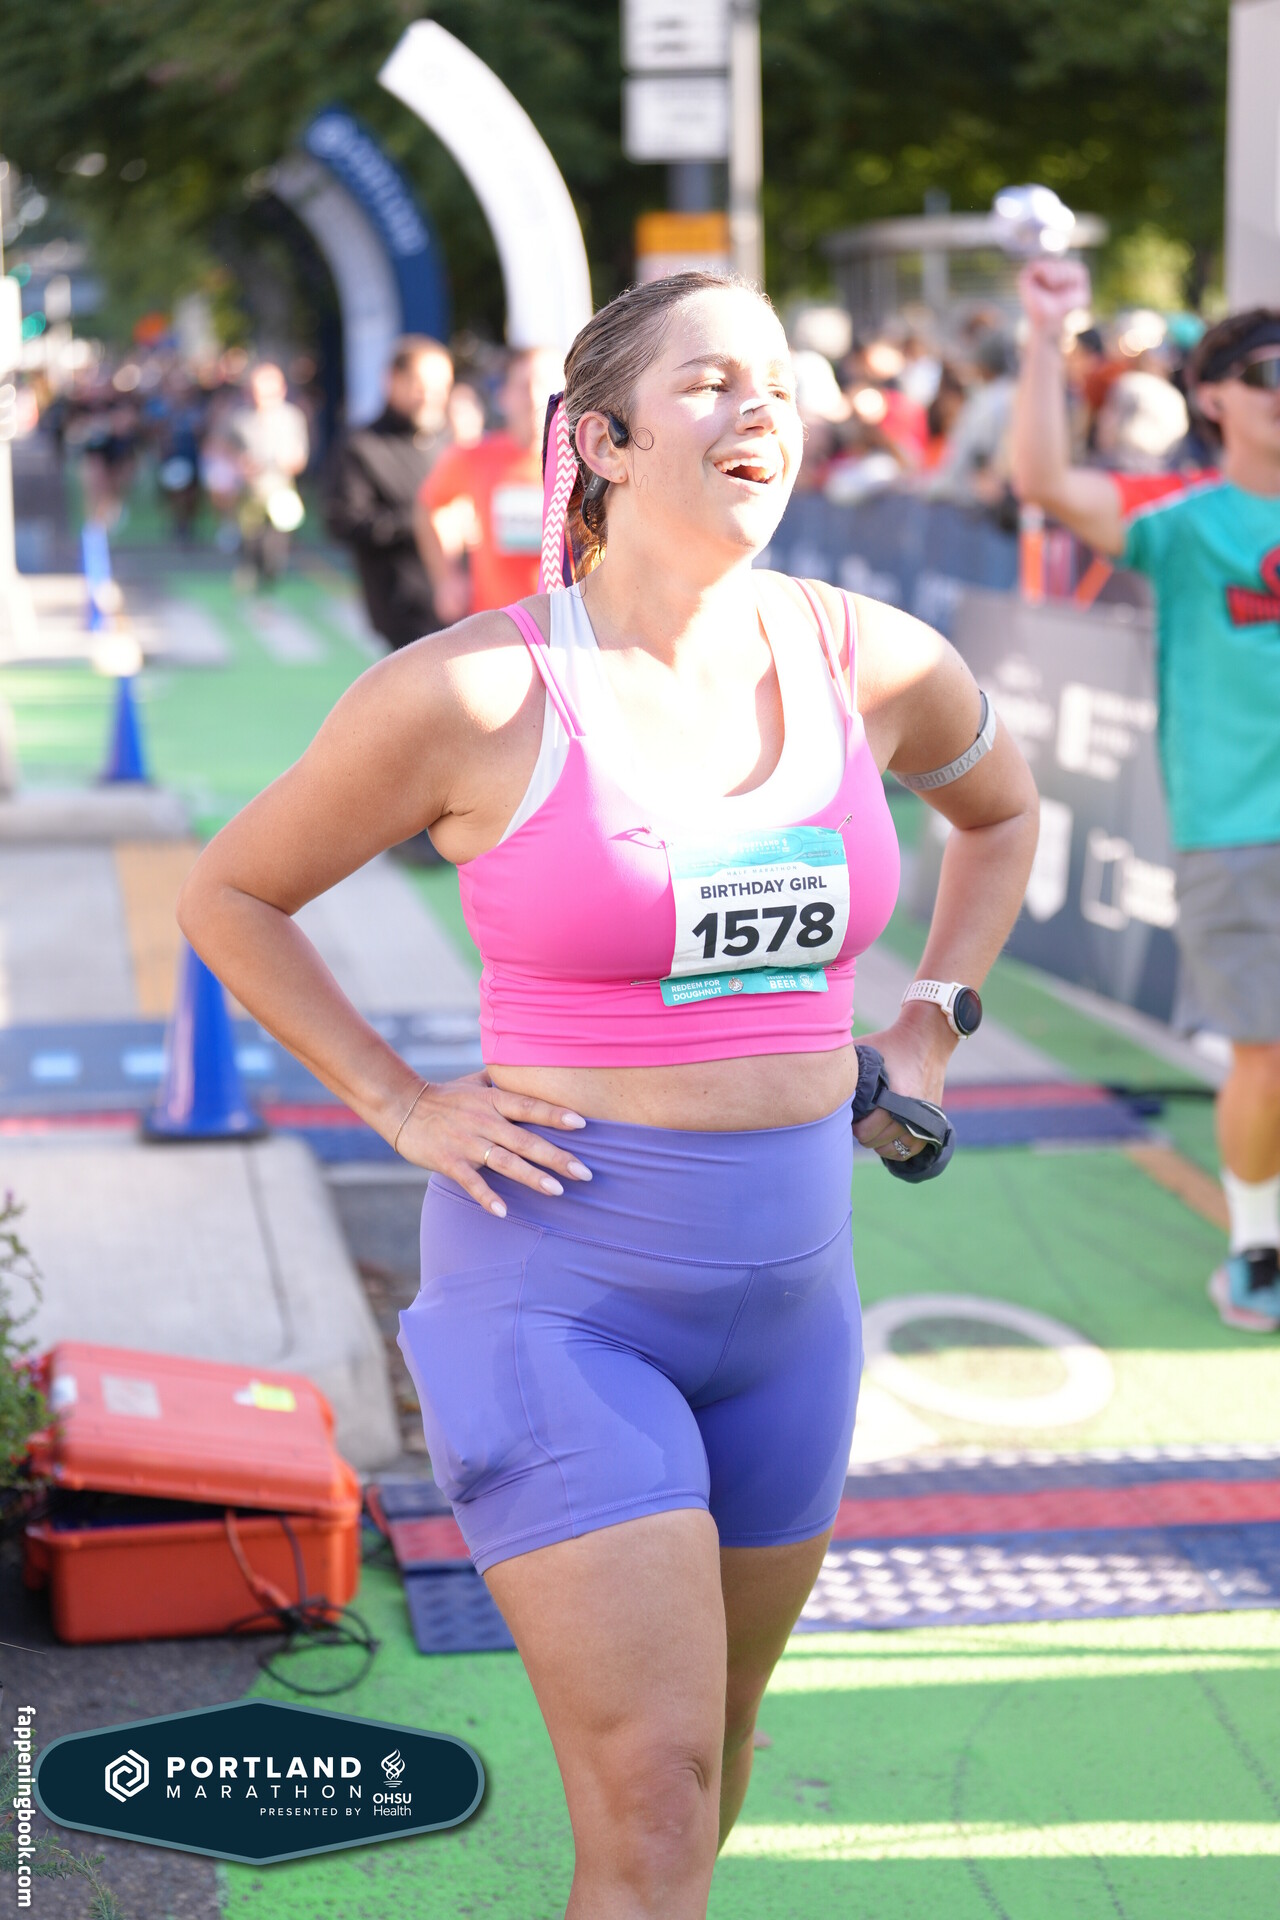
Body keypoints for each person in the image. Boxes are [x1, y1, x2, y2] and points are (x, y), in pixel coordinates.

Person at [176, 271, 1038, 1918]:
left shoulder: (868, 658)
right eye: (711, 381)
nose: (762, 407)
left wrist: (930, 1026)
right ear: (603, 441)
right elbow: (233, 896)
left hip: (794, 1306)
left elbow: (998, 815)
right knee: (648, 1803)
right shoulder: (475, 692)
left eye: (779, 379)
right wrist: (398, 1103)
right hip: (559, 1300)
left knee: (710, 1766)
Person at [1012, 258, 1280, 1333]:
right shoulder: (1181, 517)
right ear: (1211, 397)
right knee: (1265, 1052)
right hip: (1237, 828)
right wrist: (1044, 334)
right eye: (1266, 373)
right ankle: (1256, 1247)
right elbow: (1042, 479)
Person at [323, 335, 455, 650]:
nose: (431, 397)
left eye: (441, 387)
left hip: (462, 599)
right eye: (421, 386)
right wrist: (424, 523)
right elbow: (344, 520)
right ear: (392, 380)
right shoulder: (362, 445)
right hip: (402, 606)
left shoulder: (452, 440)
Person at [414, 346, 560, 618]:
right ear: (503, 396)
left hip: (567, 622)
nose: (534, 396)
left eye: (545, 384)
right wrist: (447, 578)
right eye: (523, 386)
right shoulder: (473, 457)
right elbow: (427, 507)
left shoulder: (587, 462)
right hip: (497, 621)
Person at [225, 361, 310, 587]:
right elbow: (225, 448)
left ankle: (269, 582)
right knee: (251, 544)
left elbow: (300, 458)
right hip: (251, 494)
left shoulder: (292, 417)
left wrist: (288, 461)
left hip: (281, 492)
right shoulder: (240, 419)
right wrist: (241, 464)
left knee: (275, 549)